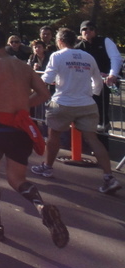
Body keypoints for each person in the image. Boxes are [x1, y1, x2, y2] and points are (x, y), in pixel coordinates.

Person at [0, 28, 68, 248]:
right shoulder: (23, 66)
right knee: (17, 179)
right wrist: (24, 107)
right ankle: (40, 206)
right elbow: (44, 94)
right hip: (21, 127)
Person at [31, 28, 121, 195]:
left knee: (54, 135)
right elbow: (97, 82)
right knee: (93, 139)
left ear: (59, 41)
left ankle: (48, 167)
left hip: (63, 102)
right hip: (86, 103)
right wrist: (90, 95)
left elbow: (47, 80)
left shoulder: (57, 56)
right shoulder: (88, 57)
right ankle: (109, 177)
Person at [75, 20, 122, 131]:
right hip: (88, 83)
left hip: (106, 81)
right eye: (84, 29)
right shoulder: (78, 47)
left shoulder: (105, 41)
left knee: (102, 107)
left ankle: (103, 129)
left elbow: (116, 58)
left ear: (95, 31)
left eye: (90, 28)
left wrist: (112, 74)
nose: (87, 31)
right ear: (81, 32)